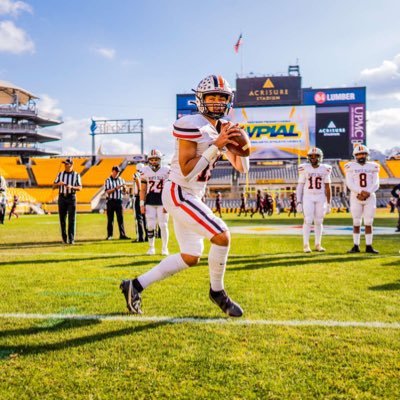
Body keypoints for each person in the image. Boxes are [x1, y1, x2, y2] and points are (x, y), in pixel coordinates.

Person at [120, 74, 250, 317]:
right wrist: (217, 146)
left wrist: (241, 145)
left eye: (221, 98)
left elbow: (242, 168)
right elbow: (188, 170)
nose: (216, 103)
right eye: (211, 97)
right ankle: (217, 292)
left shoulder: (221, 128)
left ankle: (134, 286)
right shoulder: (191, 124)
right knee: (221, 237)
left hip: (193, 195)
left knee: (191, 256)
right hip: (179, 191)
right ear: (200, 99)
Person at [344, 145, 380, 253]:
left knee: (369, 221)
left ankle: (369, 246)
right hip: (356, 196)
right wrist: (360, 192)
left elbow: (376, 183)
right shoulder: (350, 166)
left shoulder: (373, 166)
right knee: (356, 222)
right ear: (355, 156)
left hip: (370, 196)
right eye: (359, 154)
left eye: (363, 153)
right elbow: (349, 183)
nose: (361, 156)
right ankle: (356, 245)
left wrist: (368, 192)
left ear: (367, 155)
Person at [296, 147, 332, 253]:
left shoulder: (325, 168)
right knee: (308, 220)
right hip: (308, 196)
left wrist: (329, 203)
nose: (313, 158)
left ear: (320, 157)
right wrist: (298, 201)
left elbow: (327, 187)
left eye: (316, 156)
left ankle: (318, 244)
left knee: (319, 221)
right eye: (311, 156)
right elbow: (300, 186)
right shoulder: (304, 168)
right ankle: (306, 245)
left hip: (320, 196)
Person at [140, 149, 170, 255]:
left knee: (163, 225)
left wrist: (168, 203)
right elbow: (143, 189)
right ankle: (151, 247)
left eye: (156, 159)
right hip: (150, 200)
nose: (153, 162)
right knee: (150, 225)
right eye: (151, 159)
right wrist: (141, 204)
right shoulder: (145, 170)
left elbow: (170, 188)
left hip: (163, 200)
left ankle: (164, 248)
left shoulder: (167, 170)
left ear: (160, 160)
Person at [53, 158, 82, 244]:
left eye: (67, 164)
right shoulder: (60, 174)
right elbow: (53, 186)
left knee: (71, 219)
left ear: (71, 165)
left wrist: (72, 187)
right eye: (64, 164)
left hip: (71, 197)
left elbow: (80, 187)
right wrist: (58, 184)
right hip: (62, 197)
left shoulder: (76, 175)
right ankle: (64, 238)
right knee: (62, 219)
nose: (65, 165)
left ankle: (71, 238)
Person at [105, 165, 130, 240]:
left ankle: (122, 235)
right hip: (111, 201)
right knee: (110, 219)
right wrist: (116, 188)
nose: (117, 173)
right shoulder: (107, 180)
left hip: (119, 201)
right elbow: (107, 192)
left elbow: (125, 192)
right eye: (116, 172)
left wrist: (125, 189)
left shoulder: (122, 180)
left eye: (118, 172)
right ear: (112, 171)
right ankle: (110, 235)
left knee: (120, 219)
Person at [132, 163, 148, 242]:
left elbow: (137, 180)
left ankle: (140, 237)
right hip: (145, 197)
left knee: (139, 218)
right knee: (145, 217)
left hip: (139, 197)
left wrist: (139, 191)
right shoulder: (145, 174)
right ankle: (148, 236)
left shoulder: (136, 174)